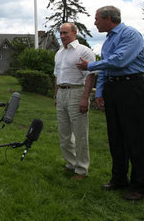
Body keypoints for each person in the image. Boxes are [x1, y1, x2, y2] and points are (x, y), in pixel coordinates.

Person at [76, 6, 144, 201]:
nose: (94, 23)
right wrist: (99, 92)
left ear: (109, 19)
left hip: (132, 87)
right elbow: (107, 68)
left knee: (135, 138)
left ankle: (140, 186)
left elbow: (119, 61)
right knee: (116, 137)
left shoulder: (130, 34)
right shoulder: (108, 40)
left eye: (97, 19)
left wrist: (89, 65)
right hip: (113, 88)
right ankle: (119, 179)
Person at [53, 23, 96, 181]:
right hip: (62, 93)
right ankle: (71, 163)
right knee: (64, 133)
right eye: (61, 33)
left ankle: (81, 169)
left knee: (80, 133)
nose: (63, 35)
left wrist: (85, 97)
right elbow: (57, 76)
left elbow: (91, 75)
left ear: (75, 33)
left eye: (66, 32)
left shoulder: (84, 51)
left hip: (77, 92)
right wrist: (56, 95)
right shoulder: (59, 53)